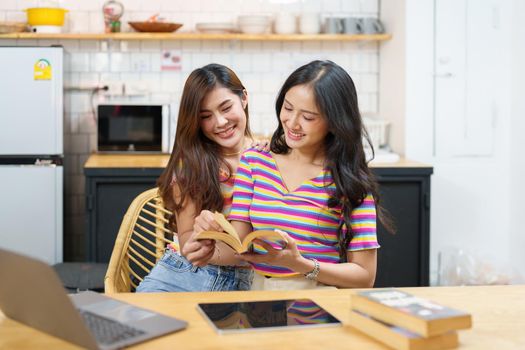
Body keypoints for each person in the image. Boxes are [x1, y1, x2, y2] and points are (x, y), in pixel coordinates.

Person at [191, 60, 393, 290]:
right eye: (287, 108)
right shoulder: (254, 161)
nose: (292, 123)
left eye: (308, 117)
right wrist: (210, 235)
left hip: (318, 304)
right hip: (258, 303)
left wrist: (300, 264)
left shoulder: (348, 180)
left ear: (335, 122)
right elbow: (240, 246)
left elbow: (365, 277)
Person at [136, 63, 258, 292]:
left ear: (244, 98)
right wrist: (197, 245)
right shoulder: (191, 165)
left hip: (250, 280)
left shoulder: (270, 157)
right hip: (184, 274)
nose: (220, 122)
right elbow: (186, 240)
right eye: (206, 116)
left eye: (226, 107)